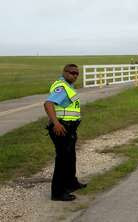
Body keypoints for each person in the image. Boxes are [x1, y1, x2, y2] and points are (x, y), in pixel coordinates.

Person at [43, 64, 87, 201]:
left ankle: (71, 183)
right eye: (72, 72)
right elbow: (48, 103)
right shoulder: (62, 87)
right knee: (62, 160)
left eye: (76, 74)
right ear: (64, 72)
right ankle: (58, 193)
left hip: (70, 128)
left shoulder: (68, 86)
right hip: (62, 128)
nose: (74, 75)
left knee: (70, 157)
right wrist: (56, 123)